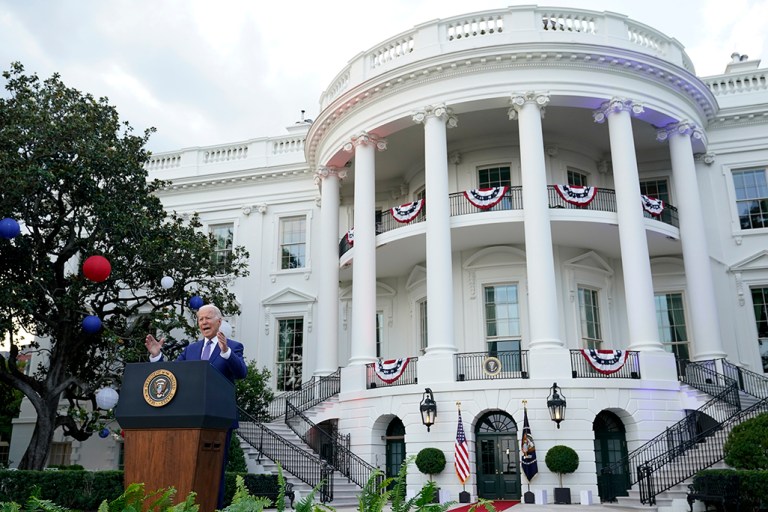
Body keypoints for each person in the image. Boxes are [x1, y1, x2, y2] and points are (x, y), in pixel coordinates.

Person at [145, 303, 247, 508]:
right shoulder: (191, 350)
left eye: (208, 318)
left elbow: (241, 373)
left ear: (219, 321)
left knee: (213, 471)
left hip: (217, 420)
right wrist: (157, 357)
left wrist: (225, 351)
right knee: (186, 468)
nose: (204, 322)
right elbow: (173, 376)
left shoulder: (233, 346)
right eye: (200, 319)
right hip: (189, 419)